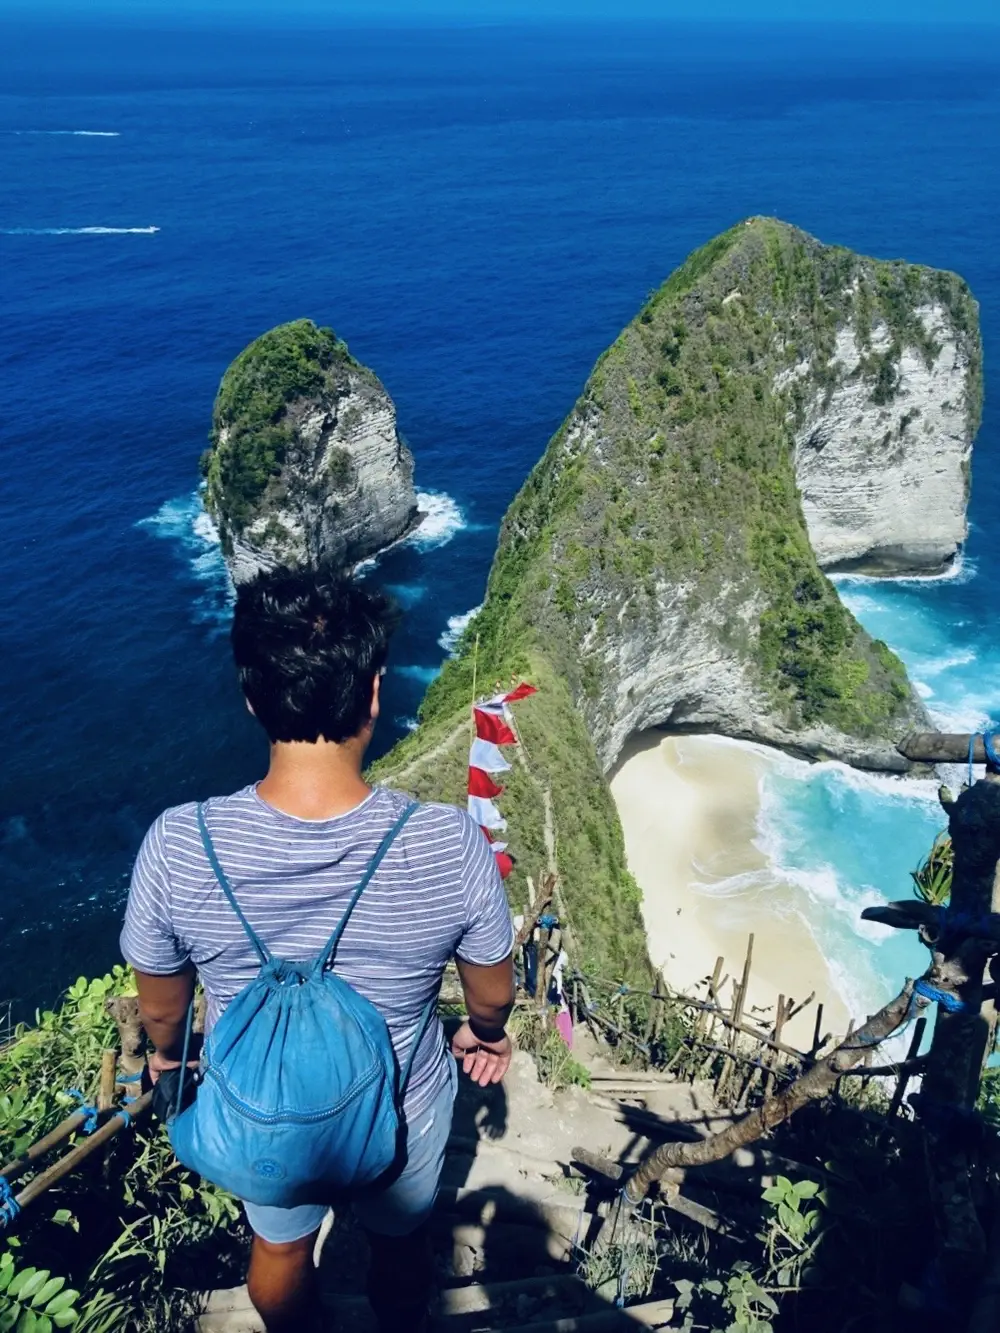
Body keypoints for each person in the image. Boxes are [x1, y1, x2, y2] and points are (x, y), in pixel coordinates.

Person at [120, 565, 516, 1333]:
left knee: (278, 1246)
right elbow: (491, 994)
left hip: (265, 1105)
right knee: (400, 1243)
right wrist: (485, 1035)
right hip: (404, 1099)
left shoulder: (179, 843)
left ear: (250, 694)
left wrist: (168, 1059)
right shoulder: (446, 841)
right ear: (374, 692)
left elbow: (162, 1009)